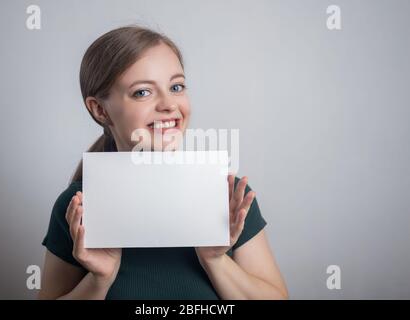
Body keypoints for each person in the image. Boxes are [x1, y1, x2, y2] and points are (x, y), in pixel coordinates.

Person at [38, 25, 288, 300]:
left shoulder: (229, 195)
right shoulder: (77, 207)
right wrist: (100, 280)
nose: (169, 104)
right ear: (100, 110)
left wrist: (216, 262)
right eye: (143, 92)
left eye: (176, 87)